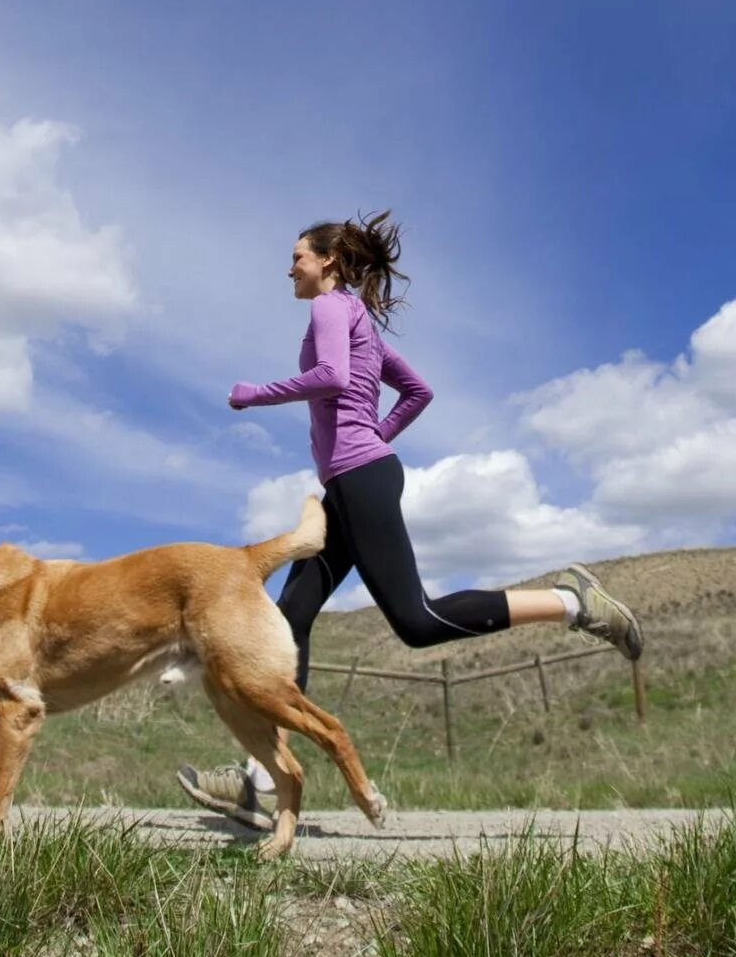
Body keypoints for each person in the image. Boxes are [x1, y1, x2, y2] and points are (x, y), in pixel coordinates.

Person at [176, 211, 643, 831]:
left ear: (329, 262)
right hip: (351, 481)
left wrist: (254, 393)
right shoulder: (358, 319)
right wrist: (375, 438)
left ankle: (571, 601)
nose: (289, 267)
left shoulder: (329, 309)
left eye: (298, 257)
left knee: (416, 621)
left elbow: (334, 377)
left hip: (360, 480)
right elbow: (417, 391)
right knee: (289, 620)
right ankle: (259, 779)